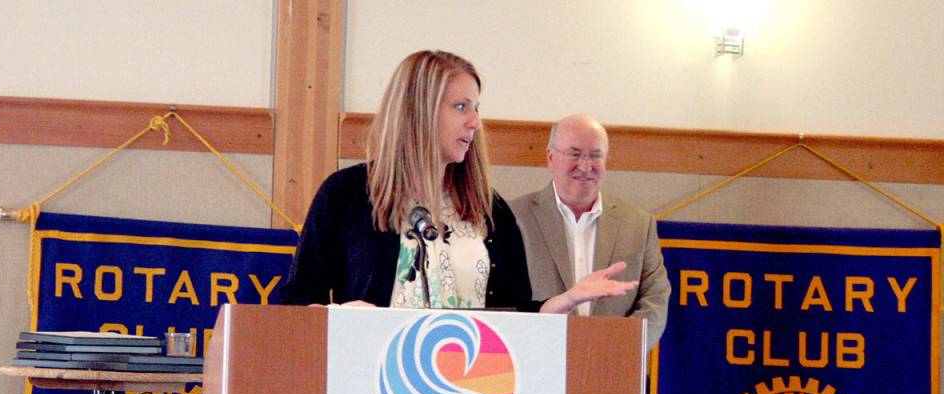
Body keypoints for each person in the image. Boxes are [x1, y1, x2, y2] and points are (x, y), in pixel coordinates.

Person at [276, 51, 635, 313]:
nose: (475, 122)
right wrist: (341, 317)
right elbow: (295, 303)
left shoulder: (489, 209)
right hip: (372, 388)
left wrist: (565, 300)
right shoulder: (346, 194)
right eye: (462, 107)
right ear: (419, 108)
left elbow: (513, 316)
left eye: (477, 107)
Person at [511, 114, 671, 348]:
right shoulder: (514, 217)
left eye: (596, 156)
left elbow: (655, 300)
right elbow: (505, 303)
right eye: (574, 154)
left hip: (613, 368)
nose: (585, 166)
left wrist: (611, 351)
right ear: (550, 158)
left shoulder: (638, 224)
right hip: (537, 363)